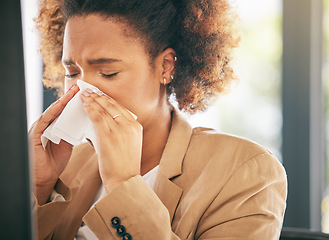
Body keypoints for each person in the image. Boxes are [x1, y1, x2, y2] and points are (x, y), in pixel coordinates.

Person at [30, 0, 287, 239]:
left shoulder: (245, 173)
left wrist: (123, 185)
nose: (81, 91)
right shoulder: (68, 166)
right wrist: (36, 186)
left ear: (165, 66)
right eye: (72, 72)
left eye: (108, 73)